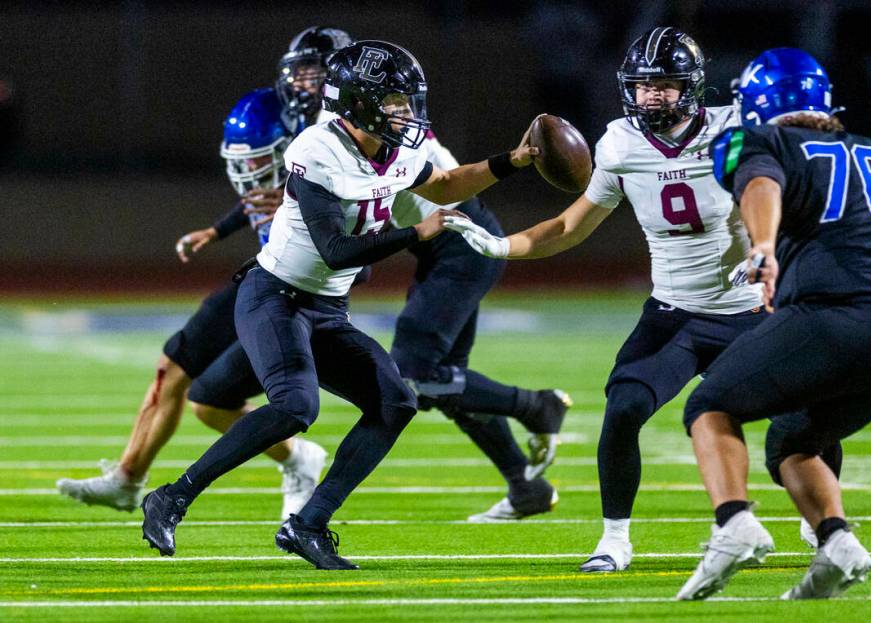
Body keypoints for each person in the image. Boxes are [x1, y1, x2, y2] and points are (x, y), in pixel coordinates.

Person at [444, 27, 841, 572]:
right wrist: (499, 245)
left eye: (666, 86)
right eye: (643, 86)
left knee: (808, 415)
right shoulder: (619, 144)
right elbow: (568, 225)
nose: (652, 96)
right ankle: (615, 540)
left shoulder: (736, 128)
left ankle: (819, 524)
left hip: (750, 311)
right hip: (674, 313)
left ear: (694, 88)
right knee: (624, 409)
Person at [140, 40, 541, 570]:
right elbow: (335, 249)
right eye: (393, 101)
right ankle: (171, 498)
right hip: (274, 298)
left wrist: (510, 162)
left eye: (406, 100)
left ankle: (307, 524)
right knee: (294, 406)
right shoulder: (315, 150)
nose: (406, 112)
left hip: (325, 307)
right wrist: (414, 233)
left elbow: (445, 183)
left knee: (394, 402)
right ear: (357, 102)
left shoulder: (396, 147)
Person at [267, 27, 573, 521]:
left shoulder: (388, 130)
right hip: (435, 248)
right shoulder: (332, 132)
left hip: (456, 240)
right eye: (302, 73)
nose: (305, 84)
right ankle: (524, 485)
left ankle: (536, 407)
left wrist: (510, 163)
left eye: (315, 74)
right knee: (442, 383)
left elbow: (448, 187)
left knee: (413, 376)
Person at [674, 48, 871, 600]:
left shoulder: (764, 140)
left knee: (709, 406)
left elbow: (760, 181)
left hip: (838, 313)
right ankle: (837, 542)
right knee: (794, 437)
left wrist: (763, 246)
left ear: (753, 105)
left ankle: (733, 523)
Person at [55, 88, 328, 520]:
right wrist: (217, 231)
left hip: (299, 294)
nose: (250, 171)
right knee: (172, 367)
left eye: (259, 159)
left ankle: (298, 458)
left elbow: (353, 239)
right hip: (259, 277)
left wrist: (303, 207)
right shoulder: (292, 162)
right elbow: (258, 200)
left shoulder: (330, 164)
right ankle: (127, 479)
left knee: (209, 404)